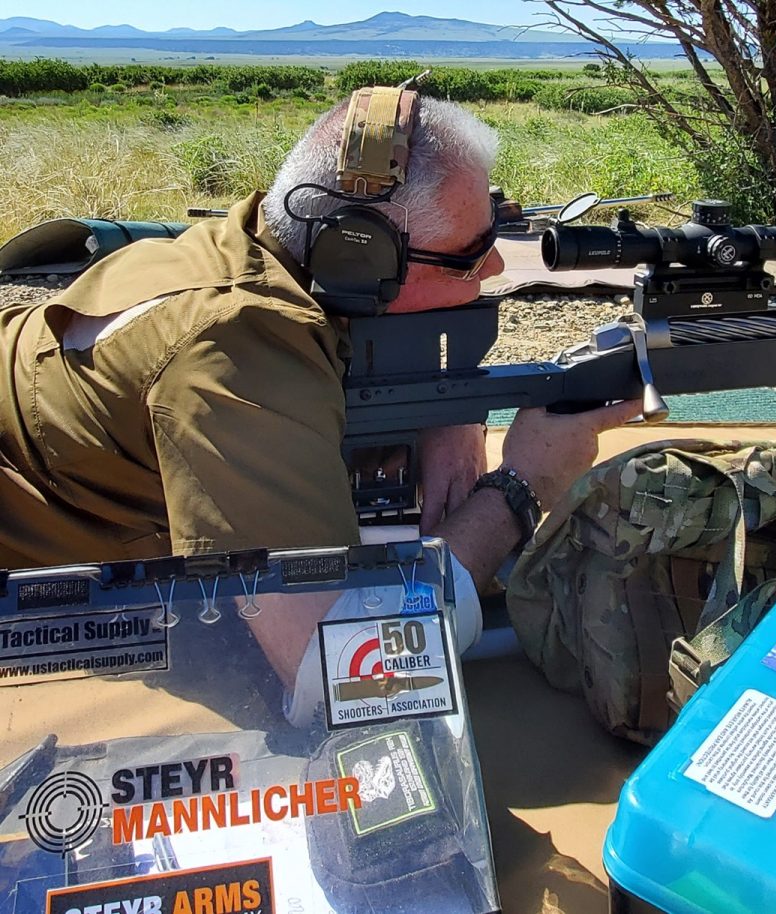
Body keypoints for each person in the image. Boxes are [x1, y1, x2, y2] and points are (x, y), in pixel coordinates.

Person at [0, 92, 637, 679]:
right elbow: (340, 669)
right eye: (470, 254)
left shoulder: (254, 245)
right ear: (358, 258)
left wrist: (448, 403)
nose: (495, 265)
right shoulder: (238, 351)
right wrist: (520, 488)